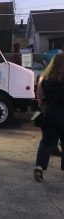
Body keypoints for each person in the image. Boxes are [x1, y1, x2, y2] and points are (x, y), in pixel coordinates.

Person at [34, 53, 64, 182]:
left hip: (50, 113)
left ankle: (39, 167)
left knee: (46, 142)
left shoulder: (43, 77)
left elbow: (39, 98)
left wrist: (44, 107)